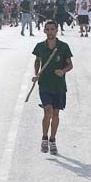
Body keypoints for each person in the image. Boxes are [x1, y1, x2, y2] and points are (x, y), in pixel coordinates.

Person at [32, 19, 74, 155]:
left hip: (59, 86)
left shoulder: (63, 47)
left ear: (56, 30)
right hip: (44, 84)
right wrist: (36, 74)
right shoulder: (40, 46)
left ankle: (52, 139)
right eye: (47, 29)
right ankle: (44, 138)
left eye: (52, 29)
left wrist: (62, 71)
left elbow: (70, 64)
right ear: (44, 31)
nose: (50, 32)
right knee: (48, 112)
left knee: (56, 114)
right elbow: (37, 61)